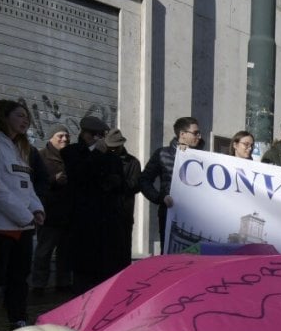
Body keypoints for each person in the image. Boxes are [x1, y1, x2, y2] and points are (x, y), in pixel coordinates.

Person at [0, 100, 45, 329]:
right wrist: (24, 214)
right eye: (19, 115)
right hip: (0, 225)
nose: (25, 120)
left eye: (27, 117)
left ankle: (18, 318)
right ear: (4, 117)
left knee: (20, 276)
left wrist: (37, 208)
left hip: (23, 225)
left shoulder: (22, 148)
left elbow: (27, 183)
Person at [61, 115, 125, 292]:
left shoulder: (112, 157)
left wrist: (114, 181)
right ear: (87, 135)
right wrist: (97, 153)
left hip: (106, 221)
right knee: (83, 270)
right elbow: (79, 175)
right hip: (82, 221)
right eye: (97, 135)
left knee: (105, 270)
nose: (101, 139)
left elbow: (122, 184)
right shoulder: (71, 152)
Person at [141, 116, 202, 247]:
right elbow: (144, 180)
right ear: (182, 134)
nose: (199, 136)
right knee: (171, 253)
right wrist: (160, 198)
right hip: (169, 213)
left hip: (196, 216)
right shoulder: (162, 154)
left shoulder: (203, 157)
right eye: (196, 133)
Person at [31, 125, 72, 293]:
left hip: (68, 213)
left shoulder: (71, 157)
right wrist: (53, 179)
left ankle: (63, 284)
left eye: (67, 136)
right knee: (44, 252)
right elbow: (34, 183)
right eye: (60, 136)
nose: (64, 139)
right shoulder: (40, 156)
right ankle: (38, 285)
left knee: (66, 252)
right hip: (48, 213)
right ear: (50, 138)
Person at [105, 129, 142, 272]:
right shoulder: (103, 159)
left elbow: (136, 185)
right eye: (110, 148)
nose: (113, 150)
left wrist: (120, 182)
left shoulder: (132, 162)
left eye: (115, 148)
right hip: (105, 213)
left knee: (123, 250)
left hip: (123, 214)